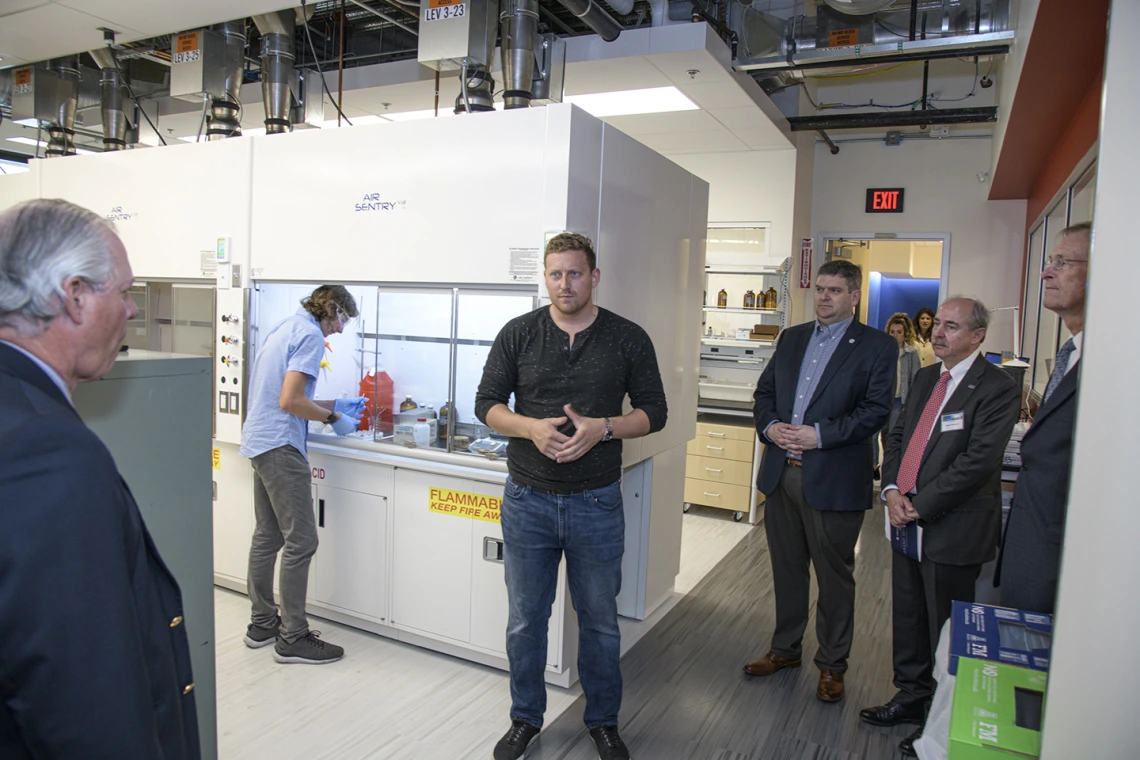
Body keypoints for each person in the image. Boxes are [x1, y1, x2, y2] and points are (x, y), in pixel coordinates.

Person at [0, 199, 199, 758]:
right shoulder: (48, 453)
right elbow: (85, 703)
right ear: (76, 294)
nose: (133, 311)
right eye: (124, 292)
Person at [475, 232, 667, 760]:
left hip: (598, 502)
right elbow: (486, 403)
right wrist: (529, 428)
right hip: (527, 501)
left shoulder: (628, 338)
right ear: (545, 276)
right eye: (555, 274)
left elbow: (655, 411)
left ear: (594, 277)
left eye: (575, 273)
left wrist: (604, 428)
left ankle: (603, 721)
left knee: (601, 621)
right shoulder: (518, 333)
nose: (565, 284)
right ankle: (525, 719)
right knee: (525, 619)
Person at [860, 297, 1020, 757]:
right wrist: (891, 490)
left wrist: (917, 503)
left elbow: (977, 463)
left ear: (977, 336)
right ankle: (910, 698)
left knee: (945, 630)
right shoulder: (929, 377)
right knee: (908, 616)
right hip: (905, 519)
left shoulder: (998, 387)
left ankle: (939, 721)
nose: (939, 333)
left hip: (951, 526)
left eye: (952, 326)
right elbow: (897, 434)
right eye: (939, 325)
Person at [743, 260, 896, 703]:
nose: (824, 297)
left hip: (832, 479)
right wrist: (770, 426)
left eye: (835, 291)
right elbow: (764, 393)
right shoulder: (791, 338)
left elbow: (875, 411)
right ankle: (785, 649)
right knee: (787, 572)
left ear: (854, 297)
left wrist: (819, 435)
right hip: (782, 476)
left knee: (834, 579)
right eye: (820, 290)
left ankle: (832, 665)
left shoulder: (877, 347)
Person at [240, 285, 366, 664]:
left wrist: (334, 404)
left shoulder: (285, 327)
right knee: (302, 541)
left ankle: (262, 623)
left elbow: (285, 393)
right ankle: (292, 635)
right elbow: (290, 401)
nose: (342, 330)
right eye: (342, 319)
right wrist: (333, 417)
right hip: (281, 445)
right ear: (329, 307)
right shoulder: (311, 335)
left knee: (268, 536)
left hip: (259, 439)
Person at [996, 222, 1090, 615]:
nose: (1045, 272)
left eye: (1062, 262)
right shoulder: (1070, 354)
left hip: (1071, 561)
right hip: (1035, 545)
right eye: (1050, 260)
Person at [874, 313, 922, 477]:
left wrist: (909, 404)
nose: (895, 335)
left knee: (891, 436)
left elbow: (915, 379)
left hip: (898, 400)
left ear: (905, 334)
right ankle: (874, 466)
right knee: (873, 434)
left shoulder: (911, 354)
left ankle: (890, 468)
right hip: (881, 398)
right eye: (892, 331)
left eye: (899, 332)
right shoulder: (882, 351)